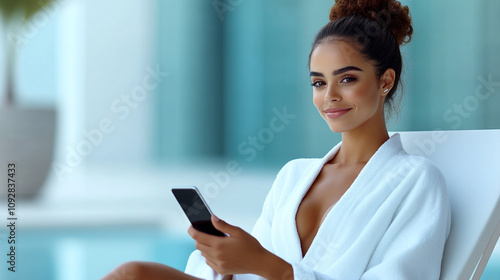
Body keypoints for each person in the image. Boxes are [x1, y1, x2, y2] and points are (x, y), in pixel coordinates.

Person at [101, 0, 451, 279]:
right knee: (131, 273)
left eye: (346, 79)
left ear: (385, 81)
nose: (329, 95)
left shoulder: (415, 180)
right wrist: (229, 258)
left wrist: (270, 268)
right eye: (318, 82)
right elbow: (254, 265)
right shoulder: (294, 176)